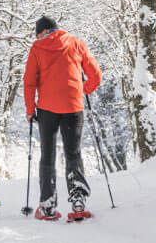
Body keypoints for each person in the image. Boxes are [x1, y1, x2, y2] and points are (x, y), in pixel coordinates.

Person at [23, 15, 102, 220]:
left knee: (47, 155)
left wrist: (30, 110)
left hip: (47, 109)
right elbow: (96, 75)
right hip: (73, 106)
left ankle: (48, 206)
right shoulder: (76, 43)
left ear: (42, 32)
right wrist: (82, 89)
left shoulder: (37, 48)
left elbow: (30, 82)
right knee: (73, 154)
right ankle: (78, 202)